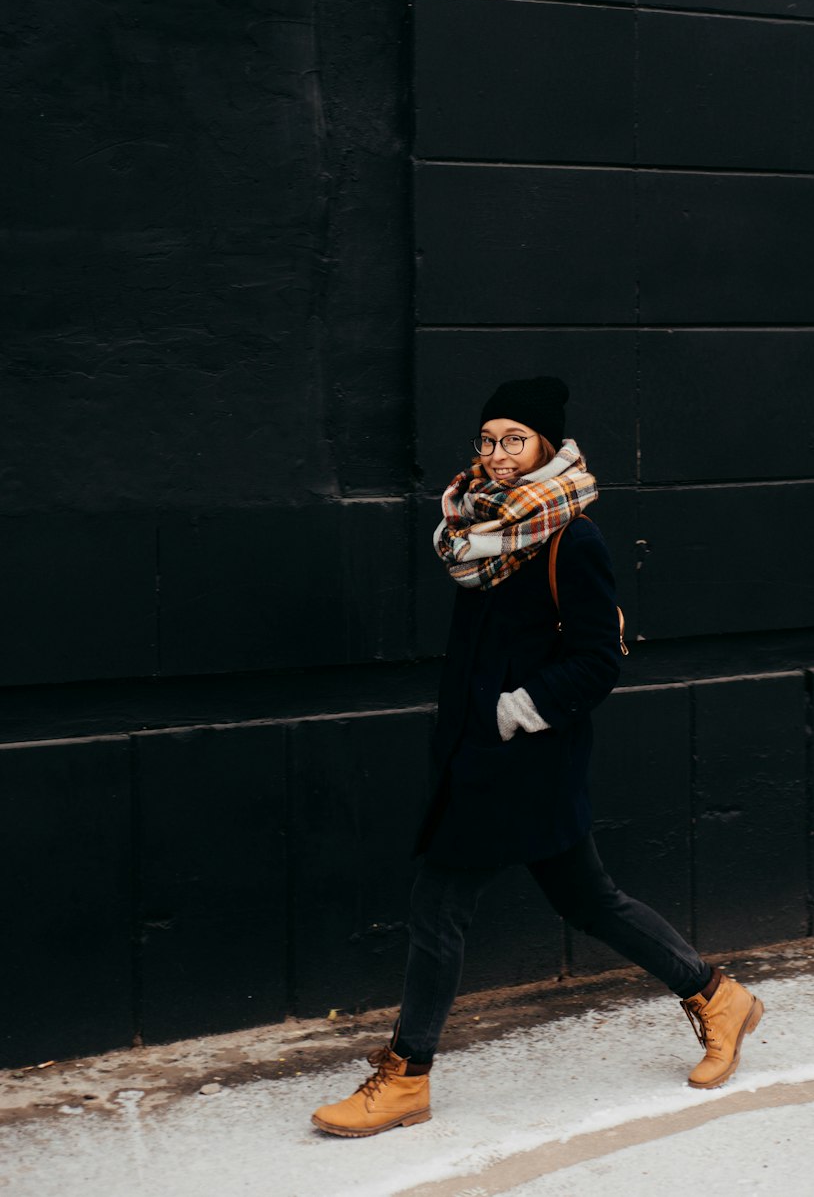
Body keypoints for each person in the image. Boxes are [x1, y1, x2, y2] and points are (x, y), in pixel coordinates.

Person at [312, 376, 763, 1138]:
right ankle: (717, 996)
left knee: (438, 905)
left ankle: (407, 1075)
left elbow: (597, 659)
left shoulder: (570, 535)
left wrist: (516, 711)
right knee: (588, 900)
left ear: (545, 448)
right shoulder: (481, 533)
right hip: (477, 752)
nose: (496, 455)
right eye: (487, 440)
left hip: (523, 757)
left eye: (513, 440)